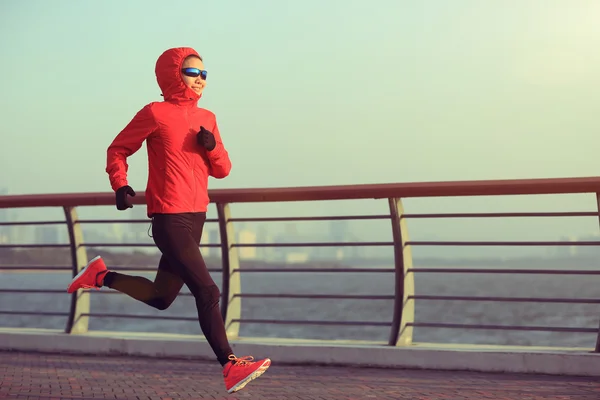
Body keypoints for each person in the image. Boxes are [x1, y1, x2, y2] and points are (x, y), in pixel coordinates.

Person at [66, 47, 270, 394]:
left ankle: (100, 275)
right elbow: (118, 149)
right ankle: (230, 365)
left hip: (196, 216)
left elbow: (223, 170)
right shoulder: (155, 113)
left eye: (205, 74)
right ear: (175, 75)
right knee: (207, 290)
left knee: (162, 297)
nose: (200, 79)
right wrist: (121, 183)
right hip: (169, 219)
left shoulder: (209, 116)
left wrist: (211, 147)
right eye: (193, 72)